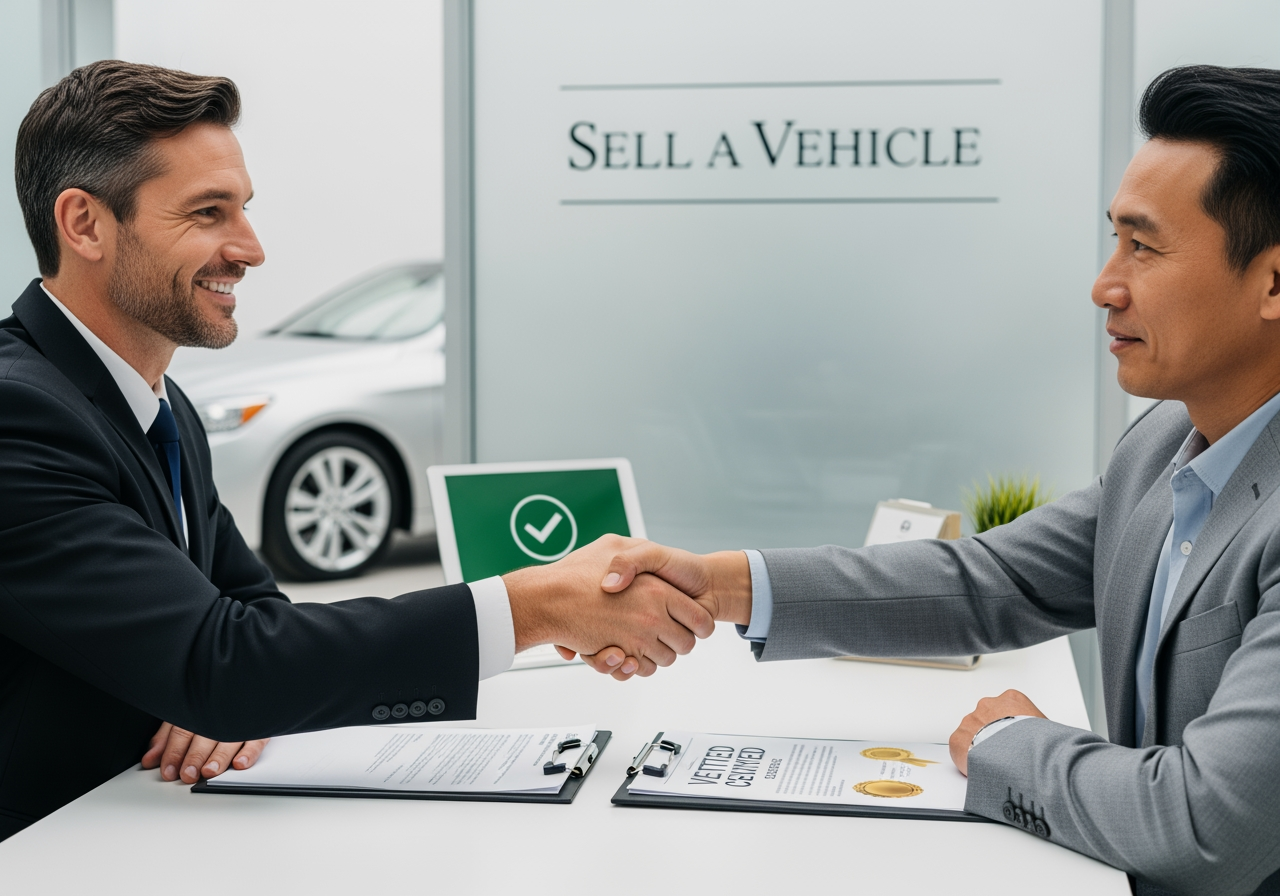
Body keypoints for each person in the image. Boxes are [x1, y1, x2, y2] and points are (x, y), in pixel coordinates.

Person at [579, 66, 1280, 896]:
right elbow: (990, 580)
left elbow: (1205, 827)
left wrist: (1008, 744)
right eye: (1115, 241)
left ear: (1272, 281)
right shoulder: (1164, 443)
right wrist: (718, 585)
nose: (1105, 287)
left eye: (1144, 247)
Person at [0, 60, 712, 841]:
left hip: (137, 826)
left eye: (243, 210)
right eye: (208, 212)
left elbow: (252, 619)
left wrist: (233, 693)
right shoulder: (19, 413)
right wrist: (535, 606)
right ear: (85, 224)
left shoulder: (159, 407)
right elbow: (225, 660)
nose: (251, 249)